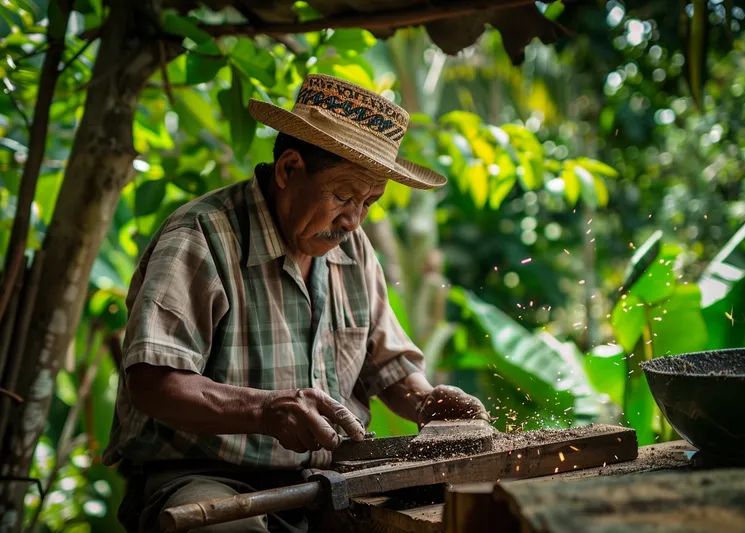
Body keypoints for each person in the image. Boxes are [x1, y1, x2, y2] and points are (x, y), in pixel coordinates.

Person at [102, 73, 489, 532]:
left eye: (369, 201)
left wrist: (427, 403)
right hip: (207, 475)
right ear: (288, 170)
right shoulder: (202, 236)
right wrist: (265, 410)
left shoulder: (353, 247)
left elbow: (388, 367)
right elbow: (152, 381)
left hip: (330, 478)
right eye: (344, 195)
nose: (353, 219)